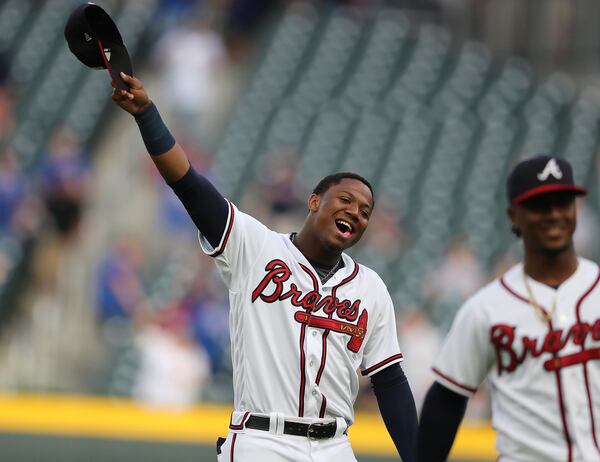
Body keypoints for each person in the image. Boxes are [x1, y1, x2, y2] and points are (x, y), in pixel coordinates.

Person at [111, 72, 417, 462]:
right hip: (262, 440)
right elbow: (188, 184)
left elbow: (390, 379)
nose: (355, 212)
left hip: (335, 447)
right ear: (313, 201)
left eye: (365, 212)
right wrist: (147, 115)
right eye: (345, 200)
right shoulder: (255, 247)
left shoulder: (370, 288)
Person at [417, 155, 599, 462]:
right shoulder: (485, 308)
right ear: (514, 215)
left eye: (563, 202)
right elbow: (446, 401)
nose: (554, 214)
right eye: (539, 205)